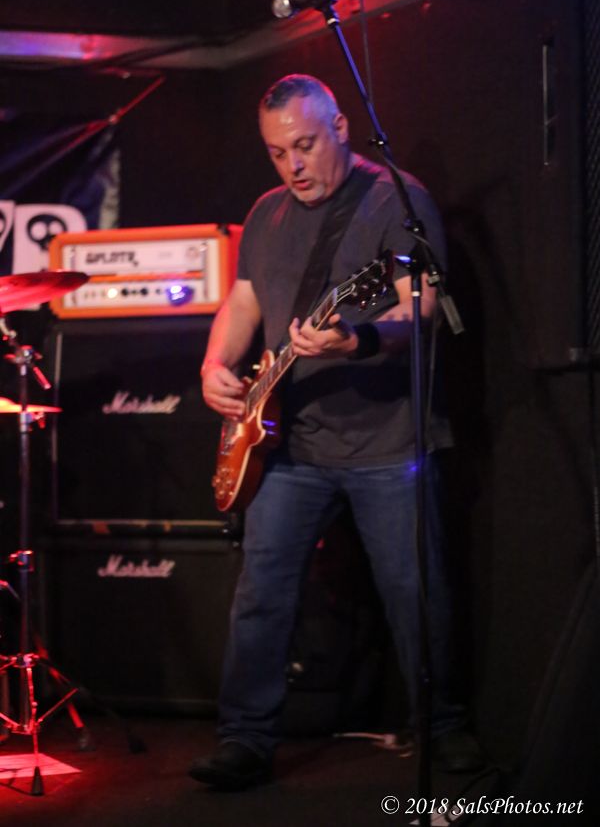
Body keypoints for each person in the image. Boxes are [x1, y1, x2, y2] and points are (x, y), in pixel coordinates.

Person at [189, 74, 483, 790]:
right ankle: (245, 739)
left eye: (305, 145)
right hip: (286, 440)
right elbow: (244, 300)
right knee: (262, 592)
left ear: (341, 127)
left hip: (386, 442)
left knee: (414, 591)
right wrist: (213, 365)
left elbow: (422, 306)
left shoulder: (396, 202)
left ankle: (443, 727)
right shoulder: (266, 213)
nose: (292, 165)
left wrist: (356, 340)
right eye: (276, 152)